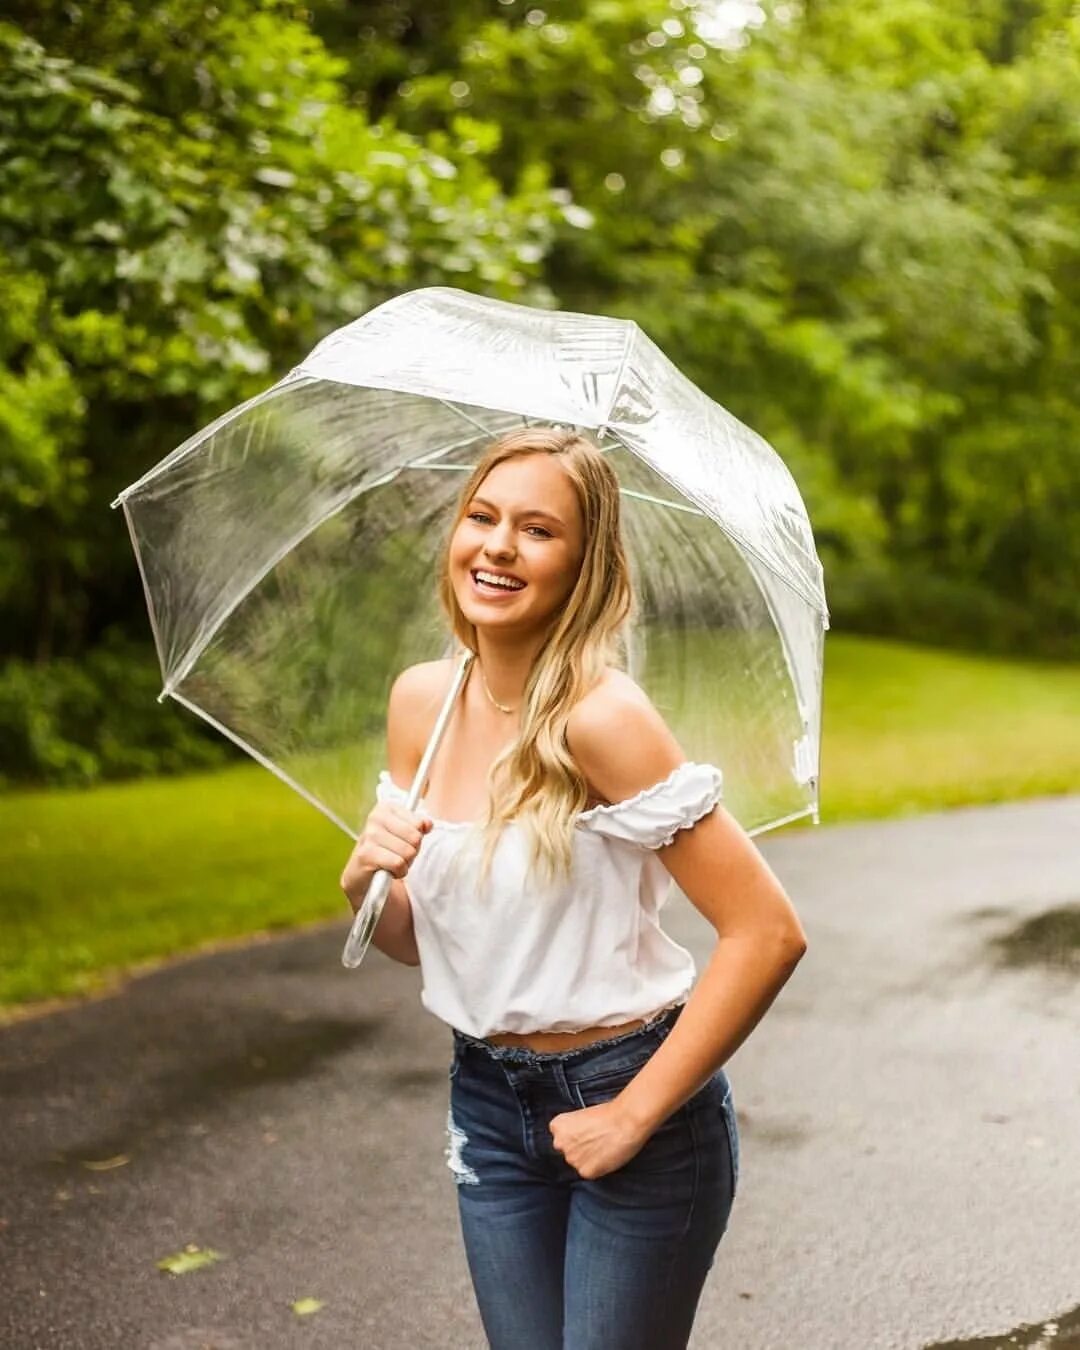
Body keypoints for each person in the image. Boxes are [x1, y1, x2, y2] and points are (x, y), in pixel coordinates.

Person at [339, 425, 808, 1349]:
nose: (499, 546)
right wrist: (365, 877)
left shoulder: (603, 719)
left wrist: (633, 1116)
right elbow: (419, 939)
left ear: (584, 565)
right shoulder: (421, 702)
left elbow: (766, 932)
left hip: (627, 1092)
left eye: (538, 530)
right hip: (485, 1096)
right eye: (482, 517)